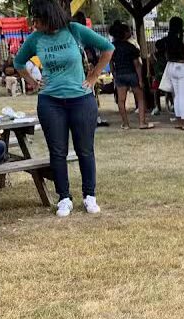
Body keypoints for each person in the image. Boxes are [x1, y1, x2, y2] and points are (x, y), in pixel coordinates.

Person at [15, 0, 114, 217]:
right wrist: (32, 82)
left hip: (81, 100)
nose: (34, 23)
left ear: (48, 17)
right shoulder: (35, 39)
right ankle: (64, 198)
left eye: (37, 19)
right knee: (57, 152)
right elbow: (18, 62)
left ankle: (90, 196)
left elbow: (108, 48)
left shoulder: (74, 31)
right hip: (51, 102)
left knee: (85, 149)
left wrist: (94, 75)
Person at [110, 23, 153, 130]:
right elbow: (137, 65)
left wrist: (114, 73)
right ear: (124, 33)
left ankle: (125, 123)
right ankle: (142, 123)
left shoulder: (111, 48)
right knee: (140, 98)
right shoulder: (131, 47)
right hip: (132, 73)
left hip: (120, 74)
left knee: (121, 100)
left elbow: (111, 63)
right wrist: (140, 79)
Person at [163, 17, 184, 130]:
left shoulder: (168, 38)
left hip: (171, 66)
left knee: (177, 96)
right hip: (183, 66)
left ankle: (179, 121)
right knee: (183, 96)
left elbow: (167, 55)